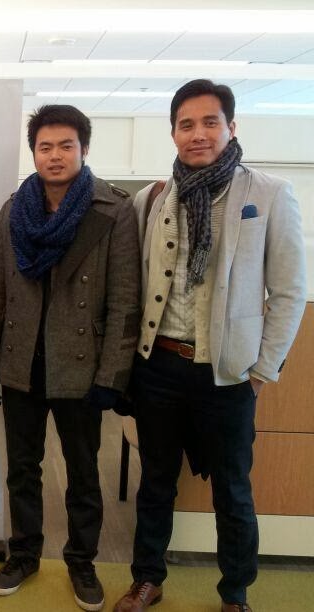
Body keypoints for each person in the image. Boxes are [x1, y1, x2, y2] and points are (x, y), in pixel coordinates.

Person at [112, 80, 307, 612]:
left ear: (231, 127)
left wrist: (262, 370)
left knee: (232, 490)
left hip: (228, 373)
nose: (198, 133)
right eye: (186, 124)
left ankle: (235, 593)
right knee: (156, 482)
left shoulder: (268, 194)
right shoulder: (152, 198)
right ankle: (147, 579)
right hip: (158, 367)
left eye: (210, 122)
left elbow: (289, 291)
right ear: (173, 133)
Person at [0, 105, 141, 611]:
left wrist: (112, 375)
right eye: (45, 147)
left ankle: (81, 561)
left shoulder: (112, 209)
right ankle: (24, 555)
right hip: (21, 360)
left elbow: (125, 301)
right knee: (22, 469)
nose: (55, 155)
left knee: (83, 473)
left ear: (83, 149)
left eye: (66, 145)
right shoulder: (15, 210)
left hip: (81, 365)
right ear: (34, 153)